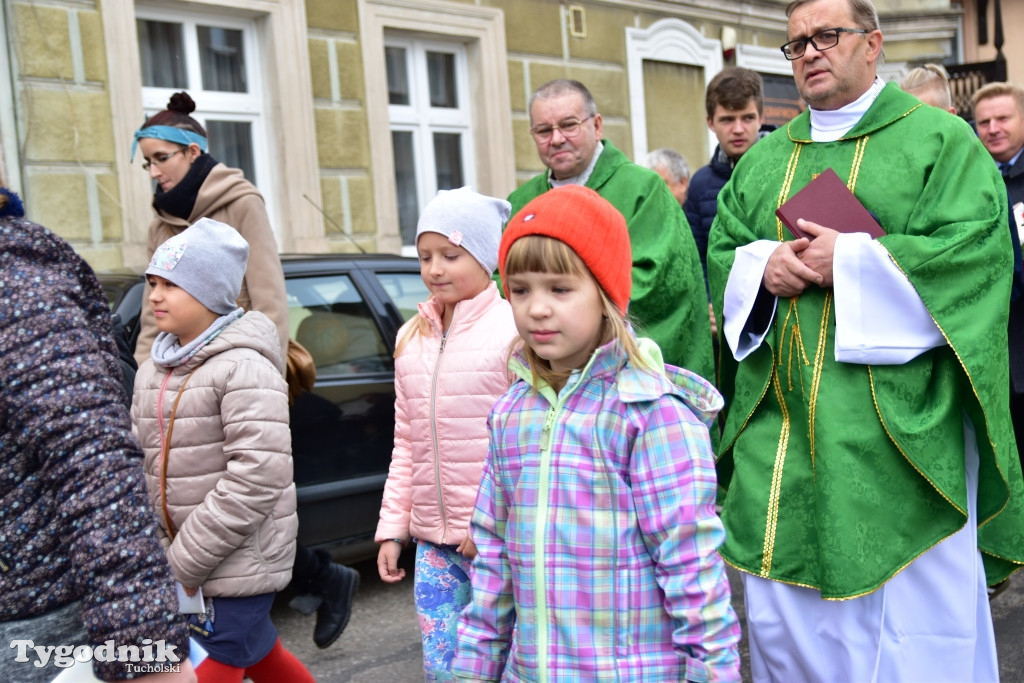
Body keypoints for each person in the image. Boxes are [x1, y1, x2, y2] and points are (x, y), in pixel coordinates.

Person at [707, 0, 1024, 680]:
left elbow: (976, 257)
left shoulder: (940, 142)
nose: (810, 53)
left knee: (906, 640)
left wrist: (848, 263)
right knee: (783, 629)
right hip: (783, 443)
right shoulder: (763, 160)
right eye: (795, 44)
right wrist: (761, 265)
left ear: (874, 43)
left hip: (899, 438)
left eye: (827, 35)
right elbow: (723, 246)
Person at [452, 185, 740, 681]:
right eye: (520, 290)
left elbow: (691, 566)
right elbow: (493, 564)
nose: (537, 308)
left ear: (605, 293)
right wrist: (471, 672)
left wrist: (713, 672)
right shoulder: (510, 414)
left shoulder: (650, 415)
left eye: (560, 289)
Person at [132, 91, 359, 649]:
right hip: (178, 375)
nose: (154, 171)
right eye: (147, 162)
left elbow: (267, 296)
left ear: (192, 153)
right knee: (205, 504)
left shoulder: (238, 201)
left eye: (162, 158)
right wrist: (147, 376)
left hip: (232, 368)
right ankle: (309, 591)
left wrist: (261, 370)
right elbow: (149, 313)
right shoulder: (163, 219)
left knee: (249, 502)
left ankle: (327, 579)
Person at [0, 185, 194, 682]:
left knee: (243, 642)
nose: (155, 298)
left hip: (42, 630)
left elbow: (96, 466)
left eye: (169, 286)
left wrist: (149, 655)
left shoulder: (17, 283)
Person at [131, 218, 313, 682]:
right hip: (180, 561)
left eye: (171, 284)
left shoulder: (244, 367)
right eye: (152, 282)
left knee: (215, 662)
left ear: (211, 293)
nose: (154, 295)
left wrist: (184, 562)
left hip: (236, 562)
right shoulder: (153, 371)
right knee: (260, 652)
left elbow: (256, 477)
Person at [375, 187, 518, 681]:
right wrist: (394, 528)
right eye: (425, 256)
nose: (435, 268)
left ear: (486, 257)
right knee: (444, 667)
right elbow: (406, 442)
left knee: (504, 663)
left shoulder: (512, 332)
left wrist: (489, 523)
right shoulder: (410, 338)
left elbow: (520, 448)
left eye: (451, 255)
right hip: (433, 545)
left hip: (495, 543)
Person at [509, 79, 712, 380]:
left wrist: (572, 316)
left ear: (598, 125)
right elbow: (503, 281)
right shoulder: (520, 203)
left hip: (622, 377)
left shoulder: (643, 190)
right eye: (543, 130)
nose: (556, 138)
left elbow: (656, 280)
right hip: (542, 374)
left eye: (568, 125)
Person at [973, 81, 1024, 475]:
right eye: (983, 121)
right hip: (989, 350)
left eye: (1003, 118)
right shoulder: (971, 182)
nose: (992, 128)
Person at [684, 67, 772, 292]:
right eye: (727, 120)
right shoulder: (700, 184)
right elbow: (696, 257)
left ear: (761, 118)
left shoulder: (788, 168)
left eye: (748, 118)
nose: (738, 129)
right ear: (710, 122)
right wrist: (709, 303)